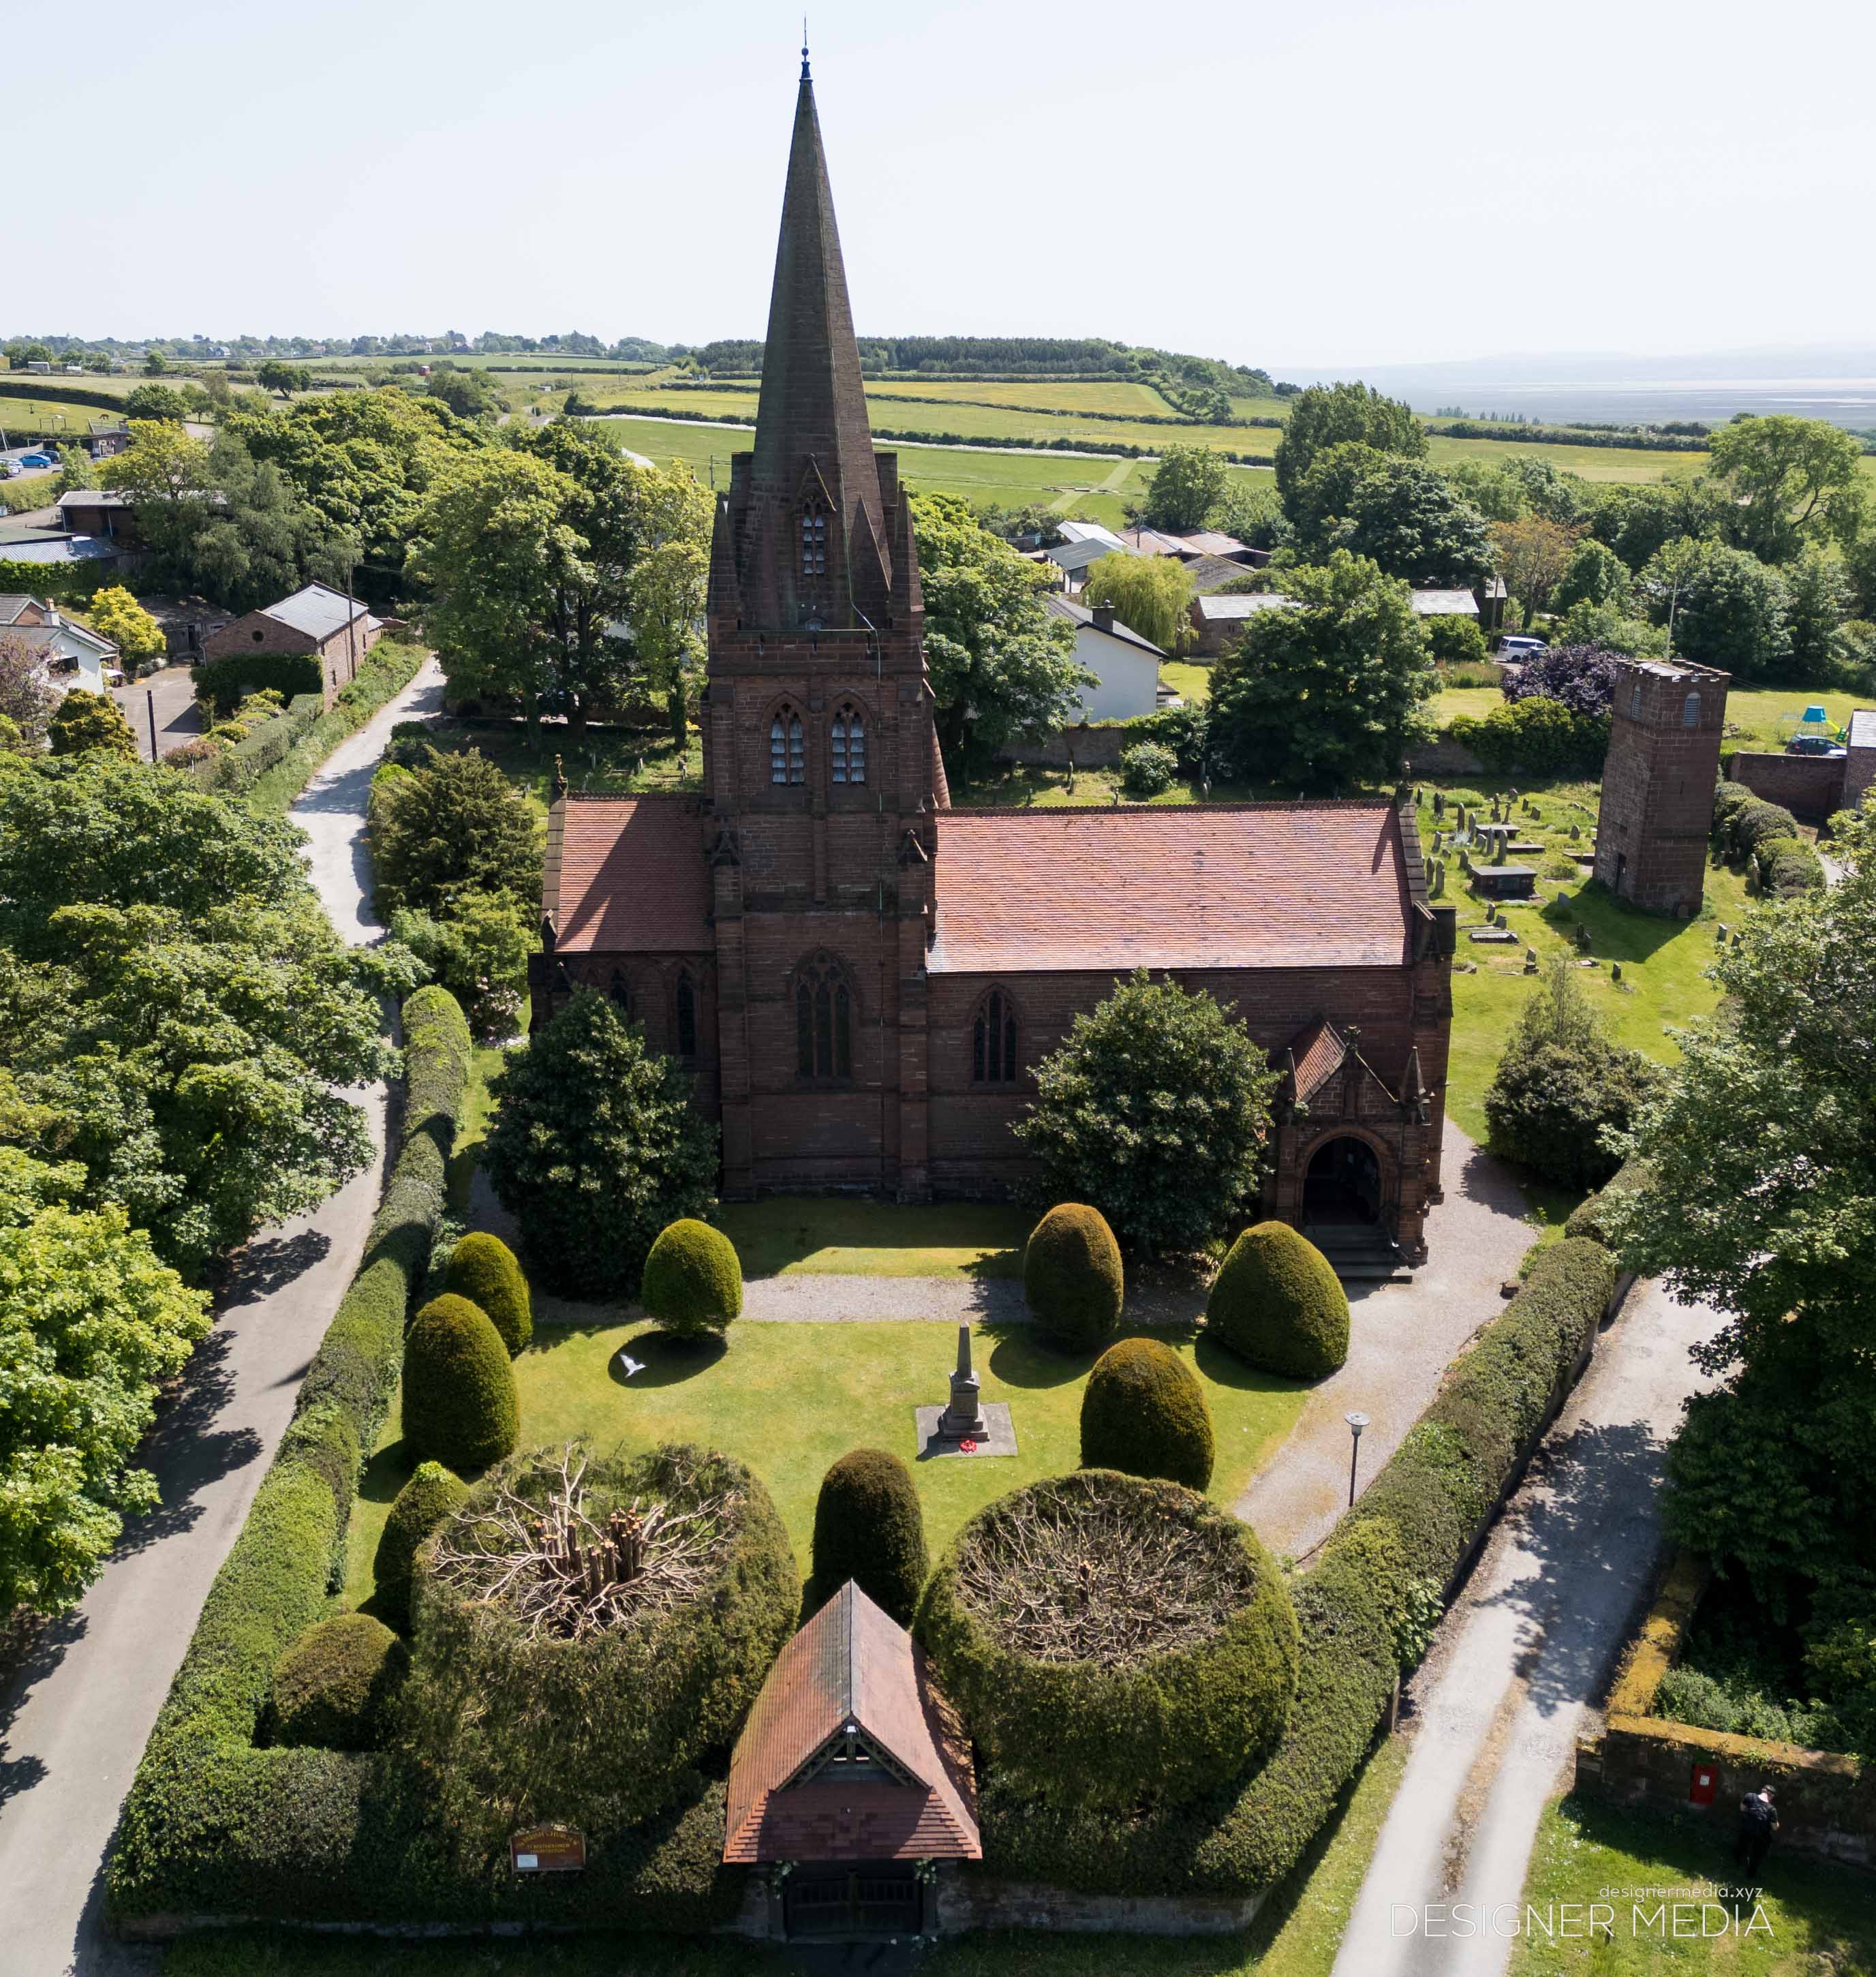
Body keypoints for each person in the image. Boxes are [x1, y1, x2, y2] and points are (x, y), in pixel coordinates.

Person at [1734, 1783, 1779, 1881]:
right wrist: (1777, 1823)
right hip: (1761, 1835)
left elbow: (1742, 1808)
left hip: (1747, 1828)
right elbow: (1775, 1828)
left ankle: (1737, 1861)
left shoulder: (1750, 1796)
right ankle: (1751, 1874)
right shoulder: (1772, 1810)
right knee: (1757, 1854)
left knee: (1742, 1844)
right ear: (1772, 1796)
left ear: (1762, 1790)